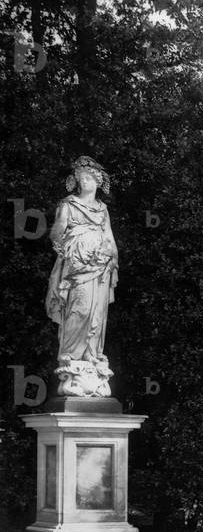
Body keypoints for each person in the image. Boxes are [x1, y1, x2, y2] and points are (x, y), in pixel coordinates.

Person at [46, 156, 118, 396]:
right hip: (77, 267)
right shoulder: (69, 204)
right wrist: (67, 248)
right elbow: (57, 232)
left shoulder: (103, 209)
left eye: (89, 178)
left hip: (100, 266)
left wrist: (112, 260)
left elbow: (109, 237)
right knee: (80, 307)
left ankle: (92, 354)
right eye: (81, 179)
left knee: (97, 312)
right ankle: (70, 354)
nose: (85, 182)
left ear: (98, 182)